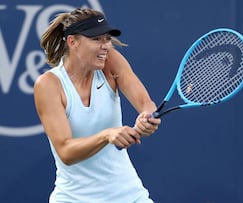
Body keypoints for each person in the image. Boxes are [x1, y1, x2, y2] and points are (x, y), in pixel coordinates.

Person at [34, 8, 161, 203]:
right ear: (72, 42)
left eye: (107, 39)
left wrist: (147, 117)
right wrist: (107, 135)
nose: (106, 46)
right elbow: (65, 152)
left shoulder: (111, 61)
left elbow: (146, 103)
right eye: (96, 39)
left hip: (129, 196)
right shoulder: (49, 85)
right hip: (73, 199)